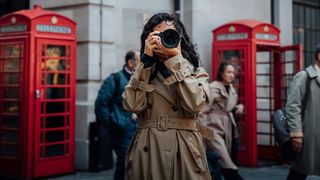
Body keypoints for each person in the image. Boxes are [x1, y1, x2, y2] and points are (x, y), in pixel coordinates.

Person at [123, 13, 212, 180]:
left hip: (184, 151)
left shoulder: (196, 72)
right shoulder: (143, 72)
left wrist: (176, 60)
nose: (164, 40)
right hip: (148, 150)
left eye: (169, 35)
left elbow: (195, 105)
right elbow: (132, 105)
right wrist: (145, 63)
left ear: (180, 39)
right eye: (158, 36)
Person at [95, 50, 140, 180]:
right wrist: (111, 124)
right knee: (125, 159)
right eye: (139, 60)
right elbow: (101, 103)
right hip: (121, 128)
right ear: (130, 63)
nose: (142, 63)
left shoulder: (140, 79)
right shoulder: (114, 79)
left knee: (134, 161)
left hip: (138, 127)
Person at [199, 62, 245, 180]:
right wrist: (203, 133)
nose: (232, 75)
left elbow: (227, 108)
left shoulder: (231, 88)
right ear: (221, 73)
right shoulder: (213, 87)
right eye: (228, 72)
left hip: (229, 129)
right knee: (226, 161)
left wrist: (239, 108)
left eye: (233, 72)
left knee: (223, 161)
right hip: (213, 129)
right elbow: (203, 111)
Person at [285, 46, 320, 179]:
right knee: (299, 171)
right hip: (308, 132)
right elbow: (293, 106)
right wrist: (296, 133)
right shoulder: (304, 76)